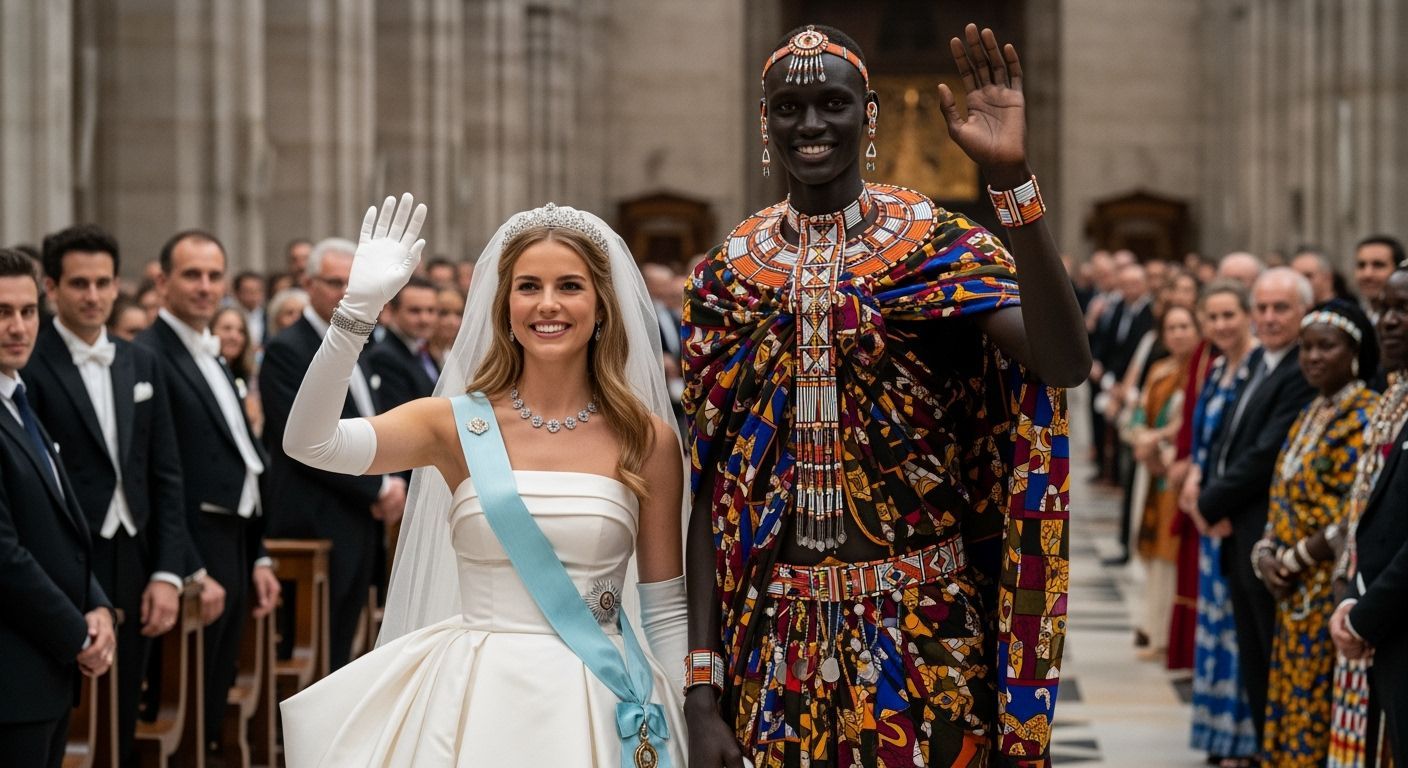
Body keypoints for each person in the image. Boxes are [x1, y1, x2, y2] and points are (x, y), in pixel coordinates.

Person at [682, 23, 1089, 767]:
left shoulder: (937, 247)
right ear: (764, 121)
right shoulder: (726, 280)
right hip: (776, 644)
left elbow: (1062, 362)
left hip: (924, 630)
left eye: (832, 104)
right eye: (789, 108)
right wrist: (700, 692)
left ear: (868, 114)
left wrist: (1012, 180)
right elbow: (711, 492)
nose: (811, 124)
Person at [278, 195, 688, 766]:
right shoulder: (450, 424)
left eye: (570, 286)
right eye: (528, 286)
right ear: (504, 306)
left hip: (600, 697)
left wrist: (685, 715)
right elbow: (310, 443)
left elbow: (665, 609)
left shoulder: (646, 439)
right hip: (475, 696)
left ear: (601, 306)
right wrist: (356, 313)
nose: (548, 304)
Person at [22, 225, 191, 767]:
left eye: (102, 283)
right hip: (61, 560)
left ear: (118, 285)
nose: (93, 296)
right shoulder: (28, 362)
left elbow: (165, 472)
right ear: (51, 287)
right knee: (62, 710)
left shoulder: (140, 361)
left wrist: (168, 573)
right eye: (79, 283)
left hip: (133, 553)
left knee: (121, 705)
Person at [135, 230, 281, 749]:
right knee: (183, 706)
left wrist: (258, 554)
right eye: (191, 275)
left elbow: (241, 450)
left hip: (233, 537)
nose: (205, 286)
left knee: (213, 699)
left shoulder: (214, 353)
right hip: (192, 542)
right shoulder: (148, 354)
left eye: (214, 276)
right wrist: (189, 567)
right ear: (162, 281)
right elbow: (153, 473)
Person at [259, 235, 406, 670]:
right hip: (314, 518)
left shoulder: (356, 339)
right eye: (334, 282)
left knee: (344, 649)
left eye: (351, 283)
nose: (344, 292)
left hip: (356, 518)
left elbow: (367, 420)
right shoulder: (289, 349)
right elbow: (303, 443)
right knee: (314, 653)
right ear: (307, 283)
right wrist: (378, 488)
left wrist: (390, 480)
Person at [1192, 268, 1317, 754]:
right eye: (1262, 307)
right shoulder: (1260, 362)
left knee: (1270, 657)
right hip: (1238, 531)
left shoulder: (1301, 369)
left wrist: (1209, 502)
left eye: (1280, 308)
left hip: (1268, 532)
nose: (1268, 317)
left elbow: (1265, 454)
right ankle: (1268, 751)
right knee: (1254, 660)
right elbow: (1230, 437)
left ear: (1304, 311)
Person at [0, 247, 116, 768]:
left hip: (44, 671)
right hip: (12, 676)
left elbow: (61, 524)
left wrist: (97, 604)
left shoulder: (18, 400)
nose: (18, 327)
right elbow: (5, 555)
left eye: (27, 312)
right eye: (3, 312)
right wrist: (77, 632)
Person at [1254, 300, 1376, 766]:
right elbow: (1282, 491)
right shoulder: (1310, 411)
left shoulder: (1365, 415)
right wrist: (1265, 552)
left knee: (1320, 709)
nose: (1313, 357)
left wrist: (1290, 559)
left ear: (1355, 353)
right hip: (1291, 594)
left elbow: (1352, 513)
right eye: (1306, 348)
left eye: (1327, 347)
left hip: (1329, 589)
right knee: (1289, 701)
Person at [1178, 280, 1259, 763]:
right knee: (1213, 626)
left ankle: (1241, 739)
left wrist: (1215, 502)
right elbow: (1204, 441)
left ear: (1246, 316)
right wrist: (1194, 479)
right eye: (1213, 317)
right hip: (1207, 511)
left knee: (1236, 631)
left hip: (1231, 515)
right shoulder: (1214, 368)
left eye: (1230, 315)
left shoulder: (1255, 370)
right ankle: (1215, 735)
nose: (1222, 325)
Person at [1331, 268, 1408, 766]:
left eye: (1404, 310)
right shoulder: (1394, 395)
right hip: (1375, 610)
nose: (1389, 322)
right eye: (1384, 309)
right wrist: (1348, 592)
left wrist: (1365, 614)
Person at [1129, 305, 1199, 660]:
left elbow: (1188, 421)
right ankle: (1153, 628)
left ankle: (1172, 636)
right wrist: (1142, 438)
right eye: (1172, 327)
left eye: (1185, 326)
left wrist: (1158, 439)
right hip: (1153, 469)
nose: (1178, 334)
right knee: (1155, 551)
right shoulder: (1160, 370)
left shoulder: (1201, 371)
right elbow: (1139, 414)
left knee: (1173, 553)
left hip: (1178, 469)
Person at [365, 274, 440, 414]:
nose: (425, 319)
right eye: (415, 311)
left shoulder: (422, 349)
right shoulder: (385, 357)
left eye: (431, 310)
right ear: (391, 311)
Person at [1352, 236, 1405, 324]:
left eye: (1378, 265)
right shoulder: (1353, 317)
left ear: (1399, 271)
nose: (1367, 274)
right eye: (1361, 265)